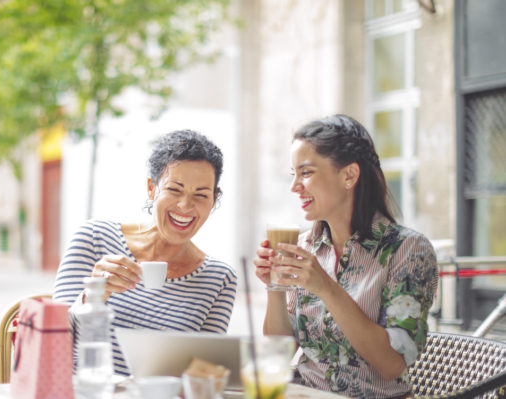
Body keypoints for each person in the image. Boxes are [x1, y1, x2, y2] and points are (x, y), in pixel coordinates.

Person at [253, 114, 438, 398]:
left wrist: (325, 287)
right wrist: (274, 286)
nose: (294, 186)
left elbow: (391, 363)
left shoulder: (408, 250)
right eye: (294, 175)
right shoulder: (305, 246)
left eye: (306, 172)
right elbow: (280, 351)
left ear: (349, 175)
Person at [53, 129, 238, 376]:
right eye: (174, 189)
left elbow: (202, 375)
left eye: (201, 195)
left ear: (213, 200)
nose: (185, 205)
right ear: (152, 188)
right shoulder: (95, 237)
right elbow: (52, 339)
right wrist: (92, 296)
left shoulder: (220, 278)